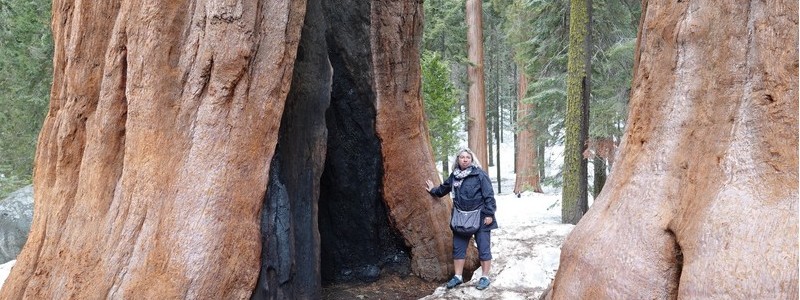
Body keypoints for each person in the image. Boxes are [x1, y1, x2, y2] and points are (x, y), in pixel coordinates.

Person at [425, 148, 497, 290]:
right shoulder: (454, 176)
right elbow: (443, 190)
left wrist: (489, 214)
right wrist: (433, 189)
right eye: (462, 157)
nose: (465, 159)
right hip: (460, 218)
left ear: (472, 160)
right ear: (458, 159)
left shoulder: (480, 175)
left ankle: (485, 277)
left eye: (467, 157)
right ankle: (458, 277)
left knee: (484, 247)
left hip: (481, 217)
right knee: (458, 248)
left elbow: (489, 195)